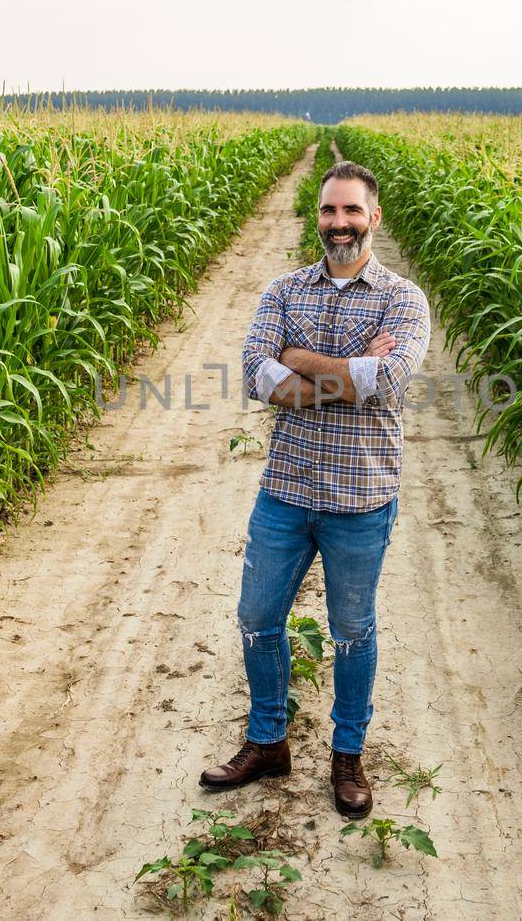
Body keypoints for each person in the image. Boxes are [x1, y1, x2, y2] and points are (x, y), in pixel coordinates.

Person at [201, 159, 431, 818]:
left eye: (352, 211)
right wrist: (345, 371)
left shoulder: (403, 299)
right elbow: (253, 371)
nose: (339, 224)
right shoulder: (283, 291)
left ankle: (348, 756)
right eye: (330, 211)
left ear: (374, 217)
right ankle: (267, 741)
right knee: (256, 617)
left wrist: (297, 361)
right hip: (288, 488)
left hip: (360, 497)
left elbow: (387, 381)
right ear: (319, 214)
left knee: (352, 631)